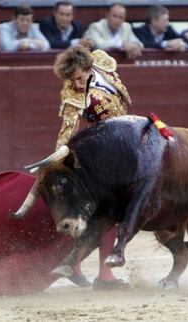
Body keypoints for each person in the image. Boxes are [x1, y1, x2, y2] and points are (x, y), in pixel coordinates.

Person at [53, 45, 131, 289]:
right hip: (101, 157)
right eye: (71, 79)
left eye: (78, 77)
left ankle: (76, 266)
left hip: (121, 143)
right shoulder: (72, 97)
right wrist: (59, 162)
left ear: (89, 68)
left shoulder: (101, 63)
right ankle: (103, 275)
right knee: (109, 213)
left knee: (105, 216)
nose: (75, 84)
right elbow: (66, 134)